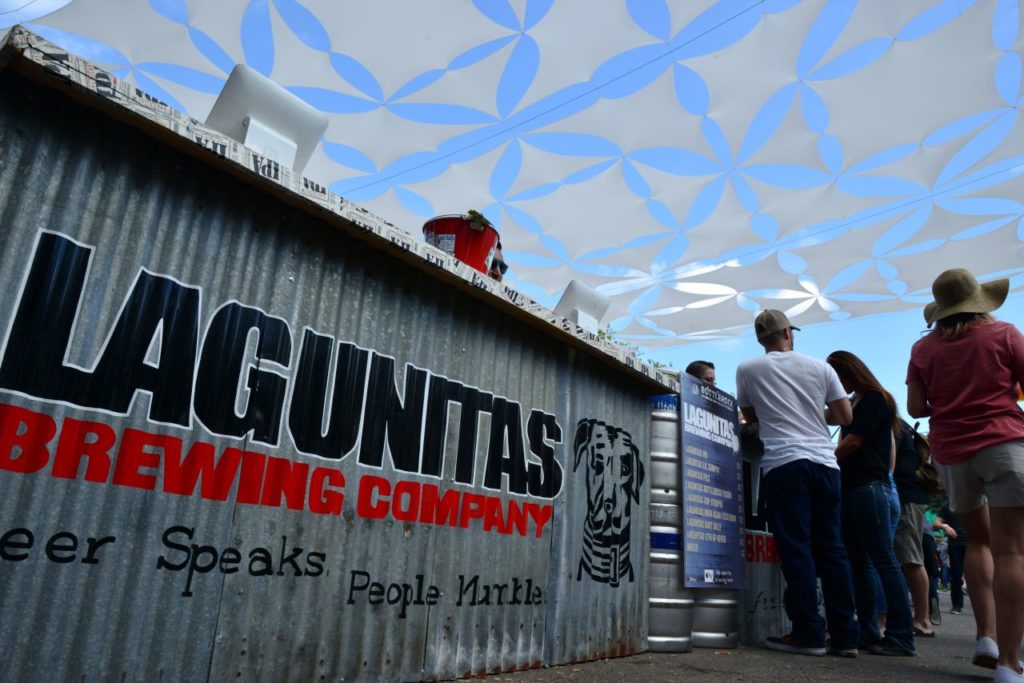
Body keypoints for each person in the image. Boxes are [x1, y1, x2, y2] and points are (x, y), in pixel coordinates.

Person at [907, 267, 1024, 682]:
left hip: (953, 453)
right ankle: (1009, 662)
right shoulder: (1004, 334)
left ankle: (985, 637)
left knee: (979, 541)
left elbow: (916, 408)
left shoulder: (923, 349)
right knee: (1012, 551)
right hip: (1004, 444)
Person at [736, 310, 858, 657]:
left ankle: (808, 633)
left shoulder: (747, 369)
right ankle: (846, 636)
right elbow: (844, 416)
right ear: (789, 333)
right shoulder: (821, 367)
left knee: (797, 548)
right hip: (825, 464)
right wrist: (814, 413)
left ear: (761, 339)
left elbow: (752, 416)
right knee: (832, 549)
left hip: (784, 464)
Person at [826, 350, 916, 656]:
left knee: (883, 561)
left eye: (836, 378)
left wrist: (824, 458)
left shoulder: (876, 398)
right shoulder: (854, 402)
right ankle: (868, 632)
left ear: (848, 373)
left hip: (870, 487)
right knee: (860, 563)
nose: (835, 386)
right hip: (856, 488)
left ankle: (901, 636)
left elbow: (853, 442)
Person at [892, 419, 936, 636]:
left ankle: (923, 620)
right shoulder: (904, 429)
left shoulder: (896, 428)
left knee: (911, 558)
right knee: (909, 557)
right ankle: (921, 618)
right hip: (913, 497)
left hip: (907, 498)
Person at [935, 503, 969, 615]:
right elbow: (936, 523)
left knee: (978, 576)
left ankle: (984, 608)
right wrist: (945, 526)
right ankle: (957, 605)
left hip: (973, 543)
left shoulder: (974, 501)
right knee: (955, 576)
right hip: (955, 544)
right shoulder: (948, 506)